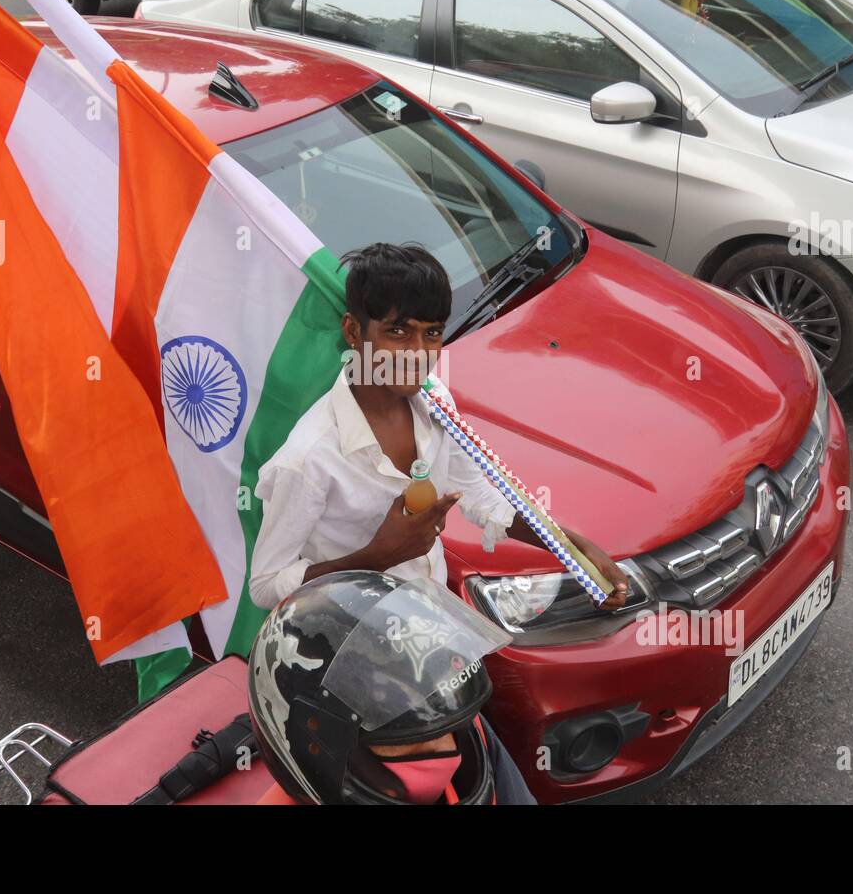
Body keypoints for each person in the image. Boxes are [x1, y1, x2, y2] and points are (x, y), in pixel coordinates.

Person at [248, 241, 629, 611]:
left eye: (431, 333)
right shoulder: (308, 459)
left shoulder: (435, 401)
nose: (418, 354)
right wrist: (377, 557)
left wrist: (572, 548)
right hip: (350, 635)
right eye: (398, 333)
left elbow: (478, 494)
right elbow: (265, 586)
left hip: (432, 617)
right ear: (353, 332)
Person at [248, 569, 534, 804]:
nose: (447, 749)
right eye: (403, 734)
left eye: (448, 728)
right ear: (316, 748)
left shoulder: (472, 734)